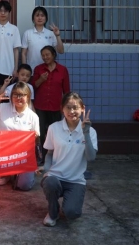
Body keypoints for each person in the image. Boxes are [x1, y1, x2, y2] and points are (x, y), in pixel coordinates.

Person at [40, 92, 98, 227]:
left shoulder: (91, 131)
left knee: (72, 213)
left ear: (82, 108)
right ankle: (52, 212)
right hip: (55, 176)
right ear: (62, 109)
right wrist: (46, 168)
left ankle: (69, 202)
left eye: (75, 107)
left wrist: (85, 133)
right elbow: (49, 153)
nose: (72, 111)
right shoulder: (54, 128)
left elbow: (91, 158)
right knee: (50, 182)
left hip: (75, 180)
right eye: (68, 107)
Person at [0, 82, 40, 191]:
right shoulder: (3, 107)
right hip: (3, 153)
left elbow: (35, 141)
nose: (18, 98)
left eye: (22, 95)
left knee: (24, 186)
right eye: (15, 94)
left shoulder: (33, 116)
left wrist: (35, 137)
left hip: (22, 156)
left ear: (28, 96)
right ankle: (7, 174)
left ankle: (21, 174)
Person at [32, 45, 70, 159]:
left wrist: (66, 107)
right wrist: (41, 79)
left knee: (55, 132)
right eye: (43, 55)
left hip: (56, 106)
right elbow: (33, 87)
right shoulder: (38, 69)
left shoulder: (62, 70)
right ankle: (42, 157)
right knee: (40, 132)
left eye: (47, 55)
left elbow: (66, 90)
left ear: (53, 55)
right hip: (40, 106)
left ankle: (55, 156)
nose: (45, 57)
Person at [21, 6, 64, 71]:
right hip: (32, 70)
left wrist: (58, 35)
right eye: (37, 15)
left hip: (48, 71)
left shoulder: (51, 33)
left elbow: (61, 51)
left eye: (42, 15)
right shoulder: (27, 33)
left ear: (46, 18)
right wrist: (25, 70)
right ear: (33, 18)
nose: (40, 18)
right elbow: (23, 53)